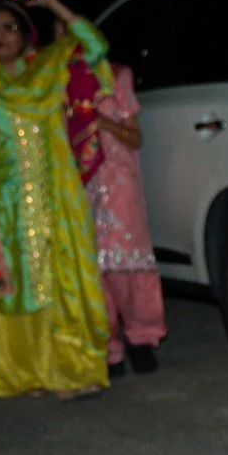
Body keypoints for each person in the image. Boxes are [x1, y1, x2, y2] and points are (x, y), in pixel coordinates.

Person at [0, 0, 111, 398]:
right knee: (18, 284)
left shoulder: (52, 66)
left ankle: (71, 369)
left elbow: (97, 46)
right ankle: (26, 371)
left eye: (11, 27)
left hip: (56, 194)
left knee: (62, 279)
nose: (0, 36)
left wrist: (51, 2)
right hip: (5, 201)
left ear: (27, 36)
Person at [70, 55, 163, 375]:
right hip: (79, 186)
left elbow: (135, 137)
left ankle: (141, 337)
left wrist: (103, 123)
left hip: (120, 183)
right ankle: (109, 349)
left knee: (128, 267)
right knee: (94, 271)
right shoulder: (56, 84)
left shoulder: (115, 77)